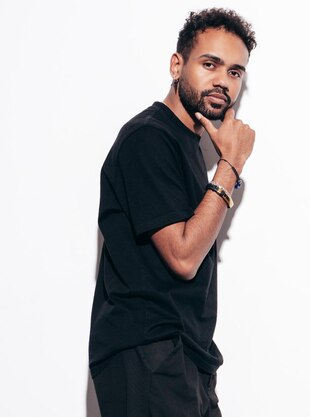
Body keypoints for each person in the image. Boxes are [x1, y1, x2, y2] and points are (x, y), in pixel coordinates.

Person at [88, 8, 256, 417]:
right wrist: (231, 166)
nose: (223, 81)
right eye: (210, 64)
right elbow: (182, 257)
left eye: (235, 72)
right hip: (149, 352)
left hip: (184, 357)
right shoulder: (149, 138)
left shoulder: (185, 146)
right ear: (177, 65)